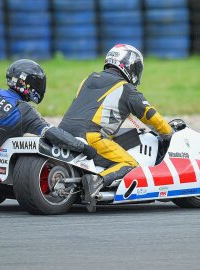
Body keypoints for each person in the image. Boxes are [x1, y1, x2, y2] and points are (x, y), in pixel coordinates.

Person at [59, 44, 173, 203]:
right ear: (129, 66)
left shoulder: (88, 79)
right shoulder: (126, 89)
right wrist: (168, 133)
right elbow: (150, 115)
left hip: (62, 133)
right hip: (91, 138)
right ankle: (96, 181)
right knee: (130, 164)